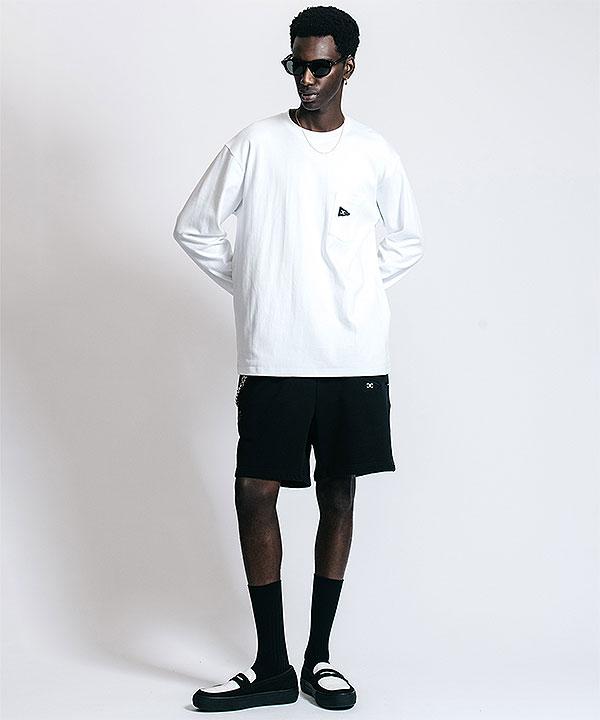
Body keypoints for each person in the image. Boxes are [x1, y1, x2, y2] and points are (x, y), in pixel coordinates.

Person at [173, 5, 424, 712]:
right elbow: (194, 228)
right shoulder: (255, 144)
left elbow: (407, 239)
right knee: (256, 492)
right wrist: (254, 285)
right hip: (274, 353)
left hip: (353, 357)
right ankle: (272, 666)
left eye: (319, 66)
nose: (306, 79)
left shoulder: (373, 152)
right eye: (296, 65)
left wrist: (355, 292)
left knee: (338, 494)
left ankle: (319, 658)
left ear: (348, 66)